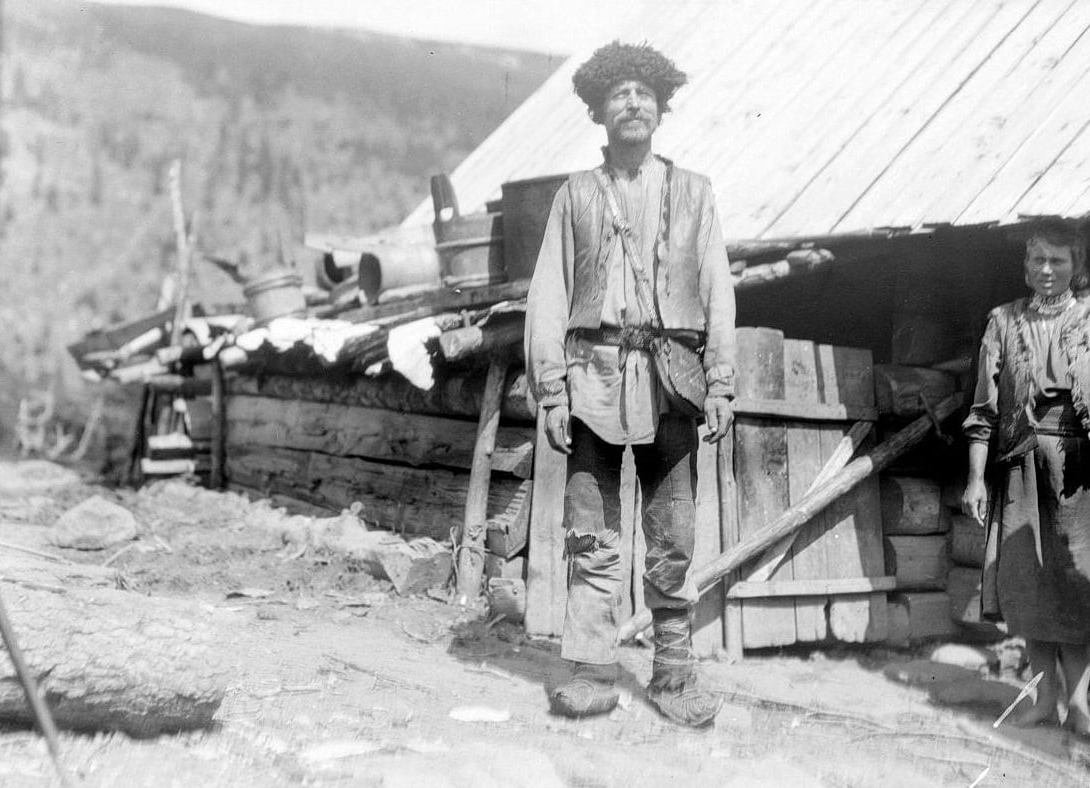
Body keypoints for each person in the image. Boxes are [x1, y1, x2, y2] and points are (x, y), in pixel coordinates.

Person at [524, 41, 736, 727]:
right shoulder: (575, 196)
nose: (634, 102)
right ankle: (590, 669)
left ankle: (674, 674)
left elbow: (718, 291)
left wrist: (723, 381)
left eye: (645, 92)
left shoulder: (695, 193)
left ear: (661, 106)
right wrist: (552, 389)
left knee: (673, 534)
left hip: (672, 384)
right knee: (592, 533)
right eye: (620, 93)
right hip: (590, 384)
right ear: (599, 109)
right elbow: (548, 296)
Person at [961, 218, 1090, 733]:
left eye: (1058, 261)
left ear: (1076, 265)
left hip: (1082, 475)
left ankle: (1081, 706)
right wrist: (975, 479)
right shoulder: (1003, 321)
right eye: (1037, 260)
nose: (1046, 270)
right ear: (1025, 266)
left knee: (1080, 588)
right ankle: (1041, 703)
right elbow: (981, 411)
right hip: (1020, 469)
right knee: (1029, 590)